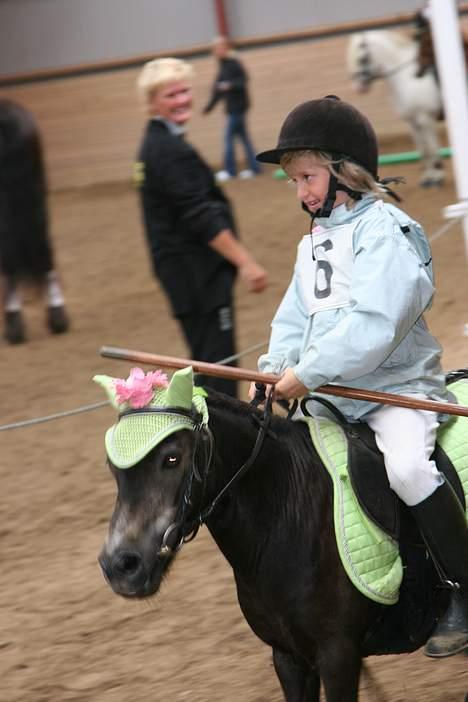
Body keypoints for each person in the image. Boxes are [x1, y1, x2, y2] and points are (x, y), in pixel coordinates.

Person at [249, 95, 468, 658]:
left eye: (308, 177)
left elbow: (374, 324)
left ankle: (462, 591)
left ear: (345, 171)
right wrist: (274, 369)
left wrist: (310, 371)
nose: (301, 191)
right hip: (334, 398)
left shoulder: (388, 231)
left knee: (407, 469)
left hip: (394, 390)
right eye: (295, 180)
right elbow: (297, 316)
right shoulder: (315, 242)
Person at [135, 57, 267, 398]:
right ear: (152, 102)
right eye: (170, 95)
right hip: (196, 277)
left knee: (208, 365)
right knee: (218, 372)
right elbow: (201, 216)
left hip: (184, 274)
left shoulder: (158, 144)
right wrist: (245, 262)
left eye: (184, 91)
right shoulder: (169, 151)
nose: (181, 100)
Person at [202, 36, 261, 182]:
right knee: (243, 138)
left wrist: (230, 85)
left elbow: (243, 81)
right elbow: (217, 90)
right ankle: (255, 167)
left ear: (226, 49)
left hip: (238, 108)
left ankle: (230, 170)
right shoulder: (223, 66)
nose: (216, 51)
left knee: (228, 138)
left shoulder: (233, 63)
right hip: (233, 109)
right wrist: (209, 107)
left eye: (219, 48)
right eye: (215, 49)